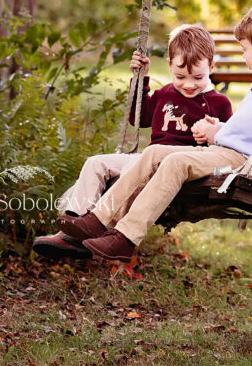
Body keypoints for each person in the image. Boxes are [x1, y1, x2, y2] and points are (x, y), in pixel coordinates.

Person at [57, 1, 252, 262]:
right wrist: (217, 131)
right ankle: (98, 219)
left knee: (176, 161)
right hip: (228, 153)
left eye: (245, 50)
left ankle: (125, 238)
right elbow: (246, 132)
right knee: (154, 152)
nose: (243, 56)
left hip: (245, 165)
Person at [33, 24, 233, 260]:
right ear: (169, 66)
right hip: (146, 160)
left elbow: (222, 149)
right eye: (180, 77)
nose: (189, 85)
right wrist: (140, 79)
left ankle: (78, 237)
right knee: (96, 163)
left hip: (173, 167)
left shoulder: (218, 103)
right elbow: (139, 117)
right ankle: (75, 223)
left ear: (211, 67)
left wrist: (210, 136)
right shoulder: (164, 94)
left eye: (198, 77)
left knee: (147, 160)